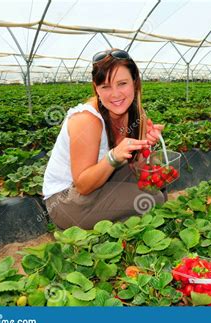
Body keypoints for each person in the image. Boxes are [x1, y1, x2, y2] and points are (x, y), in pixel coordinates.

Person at [43, 49, 167, 230]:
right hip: (68, 200)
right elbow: (83, 185)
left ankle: (118, 224)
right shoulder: (87, 120)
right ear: (96, 88)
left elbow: (138, 166)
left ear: (135, 82)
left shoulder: (137, 114)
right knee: (152, 198)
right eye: (105, 87)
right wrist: (114, 156)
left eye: (122, 83)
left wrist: (147, 144)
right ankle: (113, 233)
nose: (115, 94)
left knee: (157, 186)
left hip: (102, 181)